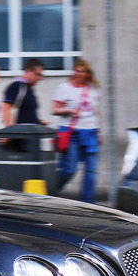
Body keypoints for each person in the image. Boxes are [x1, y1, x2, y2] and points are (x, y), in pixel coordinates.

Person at [52, 58, 102, 204]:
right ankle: (51, 189)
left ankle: (89, 203)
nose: (78, 74)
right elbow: (54, 109)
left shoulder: (93, 89)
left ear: (87, 73)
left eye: (81, 71)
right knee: (69, 169)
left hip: (91, 132)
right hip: (72, 132)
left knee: (91, 171)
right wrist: (68, 110)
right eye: (76, 70)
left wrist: (99, 132)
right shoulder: (64, 88)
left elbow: (96, 112)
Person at [1, 58, 47, 128]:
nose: (39, 78)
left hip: (31, 134)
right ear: (28, 71)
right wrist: (9, 130)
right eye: (37, 74)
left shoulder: (29, 89)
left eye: (40, 75)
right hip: (20, 135)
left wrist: (38, 121)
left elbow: (25, 114)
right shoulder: (16, 86)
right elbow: (6, 109)